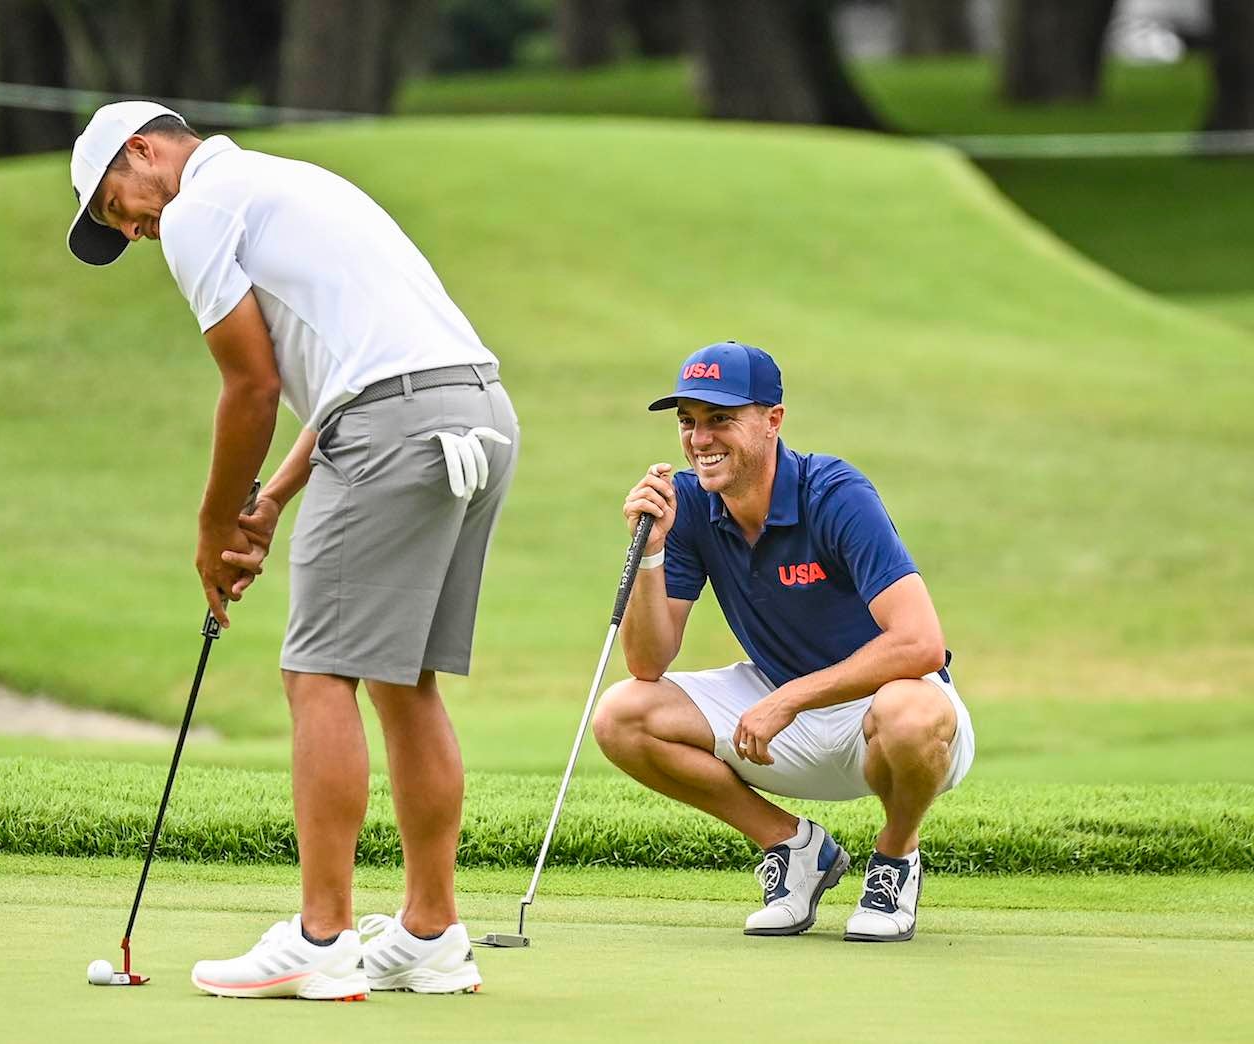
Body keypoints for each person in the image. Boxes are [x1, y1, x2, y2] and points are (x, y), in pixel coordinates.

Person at [65, 101, 517, 998]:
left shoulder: (199, 209)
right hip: (478, 413)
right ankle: (429, 931)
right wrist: (270, 497)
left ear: (143, 150)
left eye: (118, 206)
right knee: (402, 678)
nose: (137, 231)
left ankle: (322, 936)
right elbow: (352, 365)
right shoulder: (287, 181)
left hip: (393, 426)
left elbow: (253, 384)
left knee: (317, 675)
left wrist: (213, 525)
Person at [593, 341, 973, 943]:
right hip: (780, 705)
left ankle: (896, 857)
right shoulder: (688, 503)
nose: (700, 439)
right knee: (622, 714)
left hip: (879, 709)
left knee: (912, 712)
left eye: (721, 419)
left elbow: (921, 644)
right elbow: (647, 661)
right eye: (688, 422)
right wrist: (652, 551)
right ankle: (795, 849)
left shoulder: (835, 493)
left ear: (773, 421)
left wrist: (790, 698)